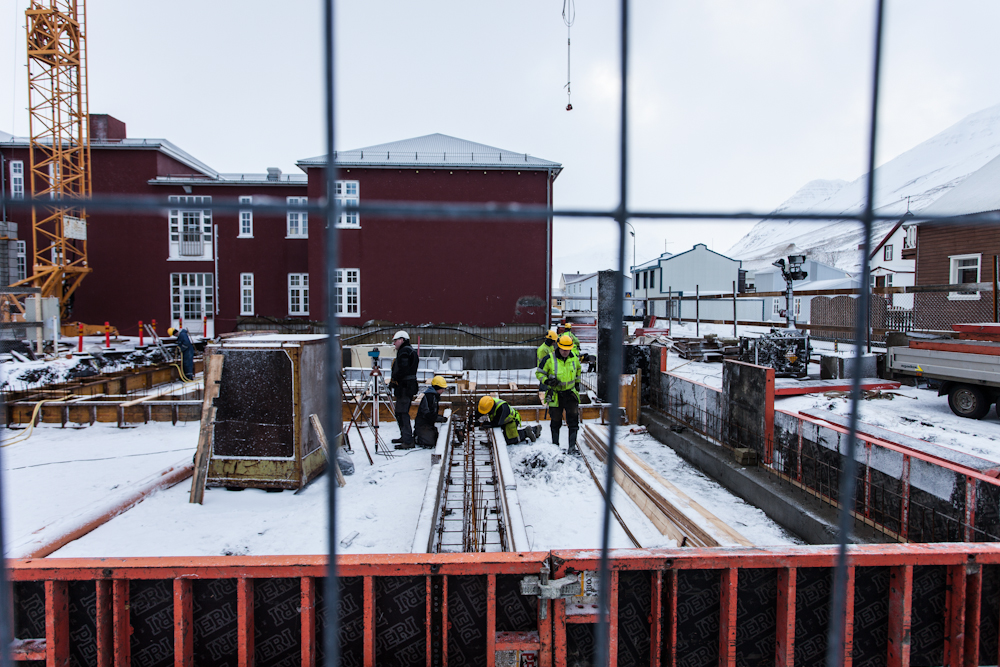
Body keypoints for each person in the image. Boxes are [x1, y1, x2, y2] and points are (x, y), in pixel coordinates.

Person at [536, 334, 582, 454]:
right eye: (563, 350)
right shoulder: (549, 359)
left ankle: (572, 446)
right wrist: (547, 381)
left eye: (568, 350)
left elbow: (578, 371)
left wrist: (577, 384)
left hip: (570, 394)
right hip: (556, 394)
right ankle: (555, 446)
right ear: (558, 347)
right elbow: (539, 373)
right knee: (555, 421)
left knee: (573, 421)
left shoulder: (574, 358)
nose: (566, 352)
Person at [389, 330, 419, 449]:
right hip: (407, 386)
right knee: (400, 412)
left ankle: (407, 440)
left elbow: (403, 369)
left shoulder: (404, 352)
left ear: (402, 340)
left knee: (402, 413)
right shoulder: (410, 351)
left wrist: (394, 379)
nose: (394, 343)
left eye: (395, 341)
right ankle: (405, 436)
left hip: (405, 387)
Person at [413, 376, 449, 448]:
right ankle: (417, 437)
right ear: (437, 387)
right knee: (430, 443)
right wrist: (438, 418)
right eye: (442, 388)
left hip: (428, 424)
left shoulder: (434, 397)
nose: (443, 391)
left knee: (436, 439)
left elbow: (432, 413)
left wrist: (439, 417)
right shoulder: (429, 397)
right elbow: (427, 414)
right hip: (423, 424)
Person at [536, 329, 558, 401]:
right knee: (544, 389)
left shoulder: (550, 347)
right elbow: (543, 363)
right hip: (545, 373)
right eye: (554, 341)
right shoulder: (542, 349)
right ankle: (543, 402)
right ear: (550, 340)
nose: (554, 343)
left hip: (551, 371)